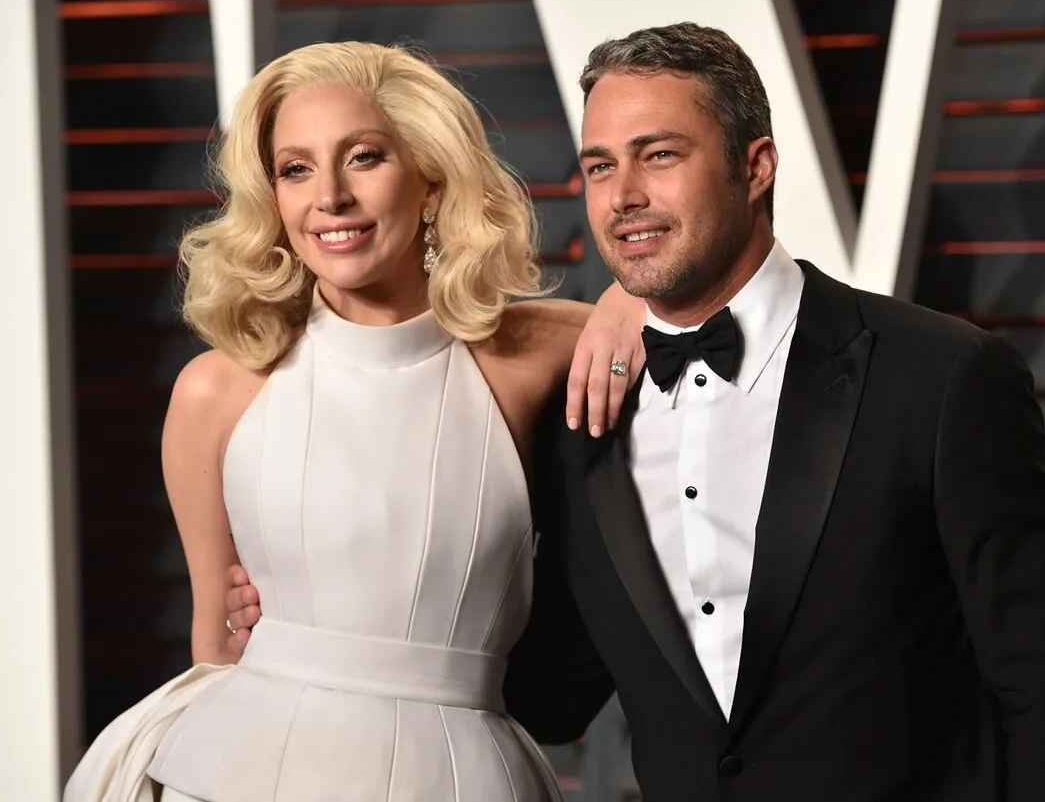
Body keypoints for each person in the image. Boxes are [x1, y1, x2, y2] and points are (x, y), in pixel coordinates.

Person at [221, 21, 1045, 802]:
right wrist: (345, 612)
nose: (624, 196)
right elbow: (553, 688)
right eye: (600, 166)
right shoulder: (579, 406)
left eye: (659, 155)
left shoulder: (942, 375)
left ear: (757, 165)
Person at [63, 40, 646, 802]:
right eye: (295, 169)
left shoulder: (528, 357)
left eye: (364, 157)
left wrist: (630, 297)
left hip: (466, 772)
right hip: (238, 772)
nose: (328, 197)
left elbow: (687, 304)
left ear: (431, 179)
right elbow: (217, 645)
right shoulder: (215, 393)